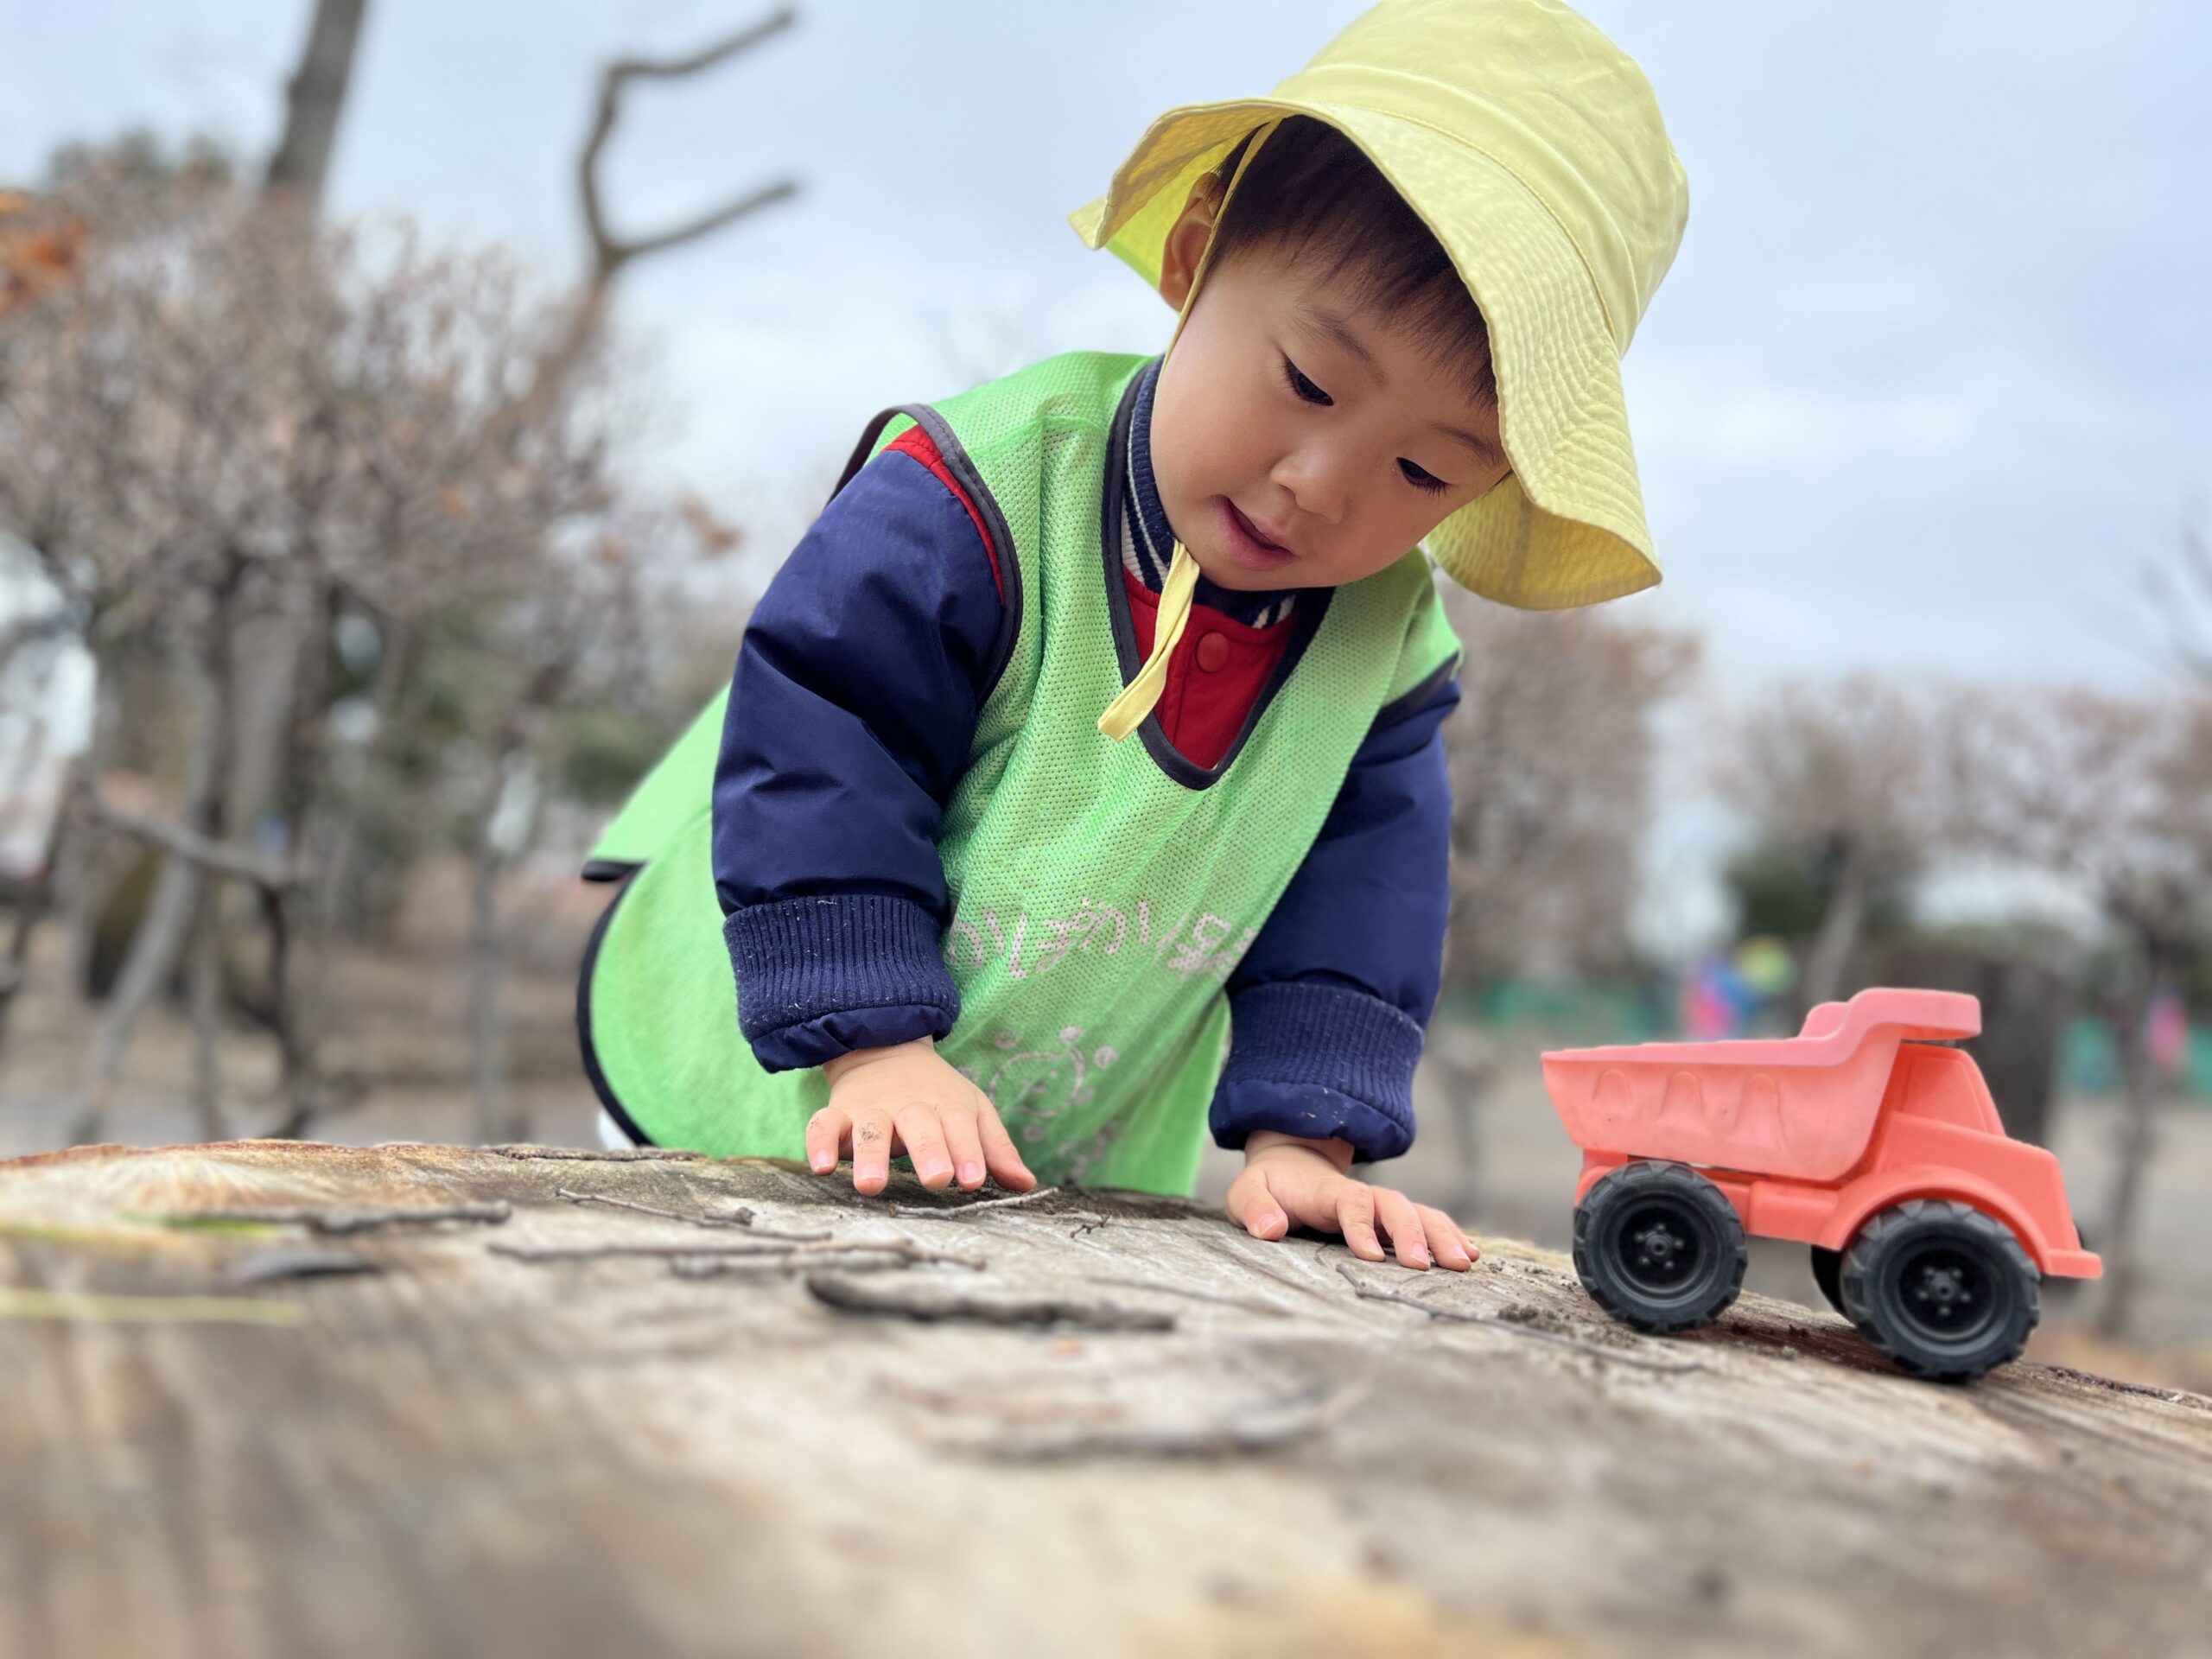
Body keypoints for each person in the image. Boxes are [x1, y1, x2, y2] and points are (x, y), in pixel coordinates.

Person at [575, 0, 1689, 1272]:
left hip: (1051, 1155)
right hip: (743, 1078)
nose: (1320, 484)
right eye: (1310, 383)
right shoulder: (980, 492)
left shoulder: (1385, 655)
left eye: (1425, 471)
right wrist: (874, 1048)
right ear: (1195, 258)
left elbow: (1358, 906)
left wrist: (1304, 1141)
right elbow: (830, 735)